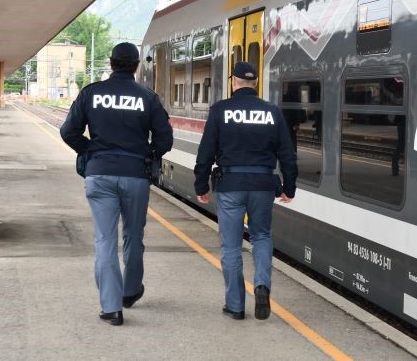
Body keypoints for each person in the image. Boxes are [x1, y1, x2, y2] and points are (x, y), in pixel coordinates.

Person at [60, 42, 173, 326]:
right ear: (136, 66)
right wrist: (147, 153)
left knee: (105, 240)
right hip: (136, 175)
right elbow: (165, 140)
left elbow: (68, 131)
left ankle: (111, 308)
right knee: (133, 235)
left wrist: (90, 150)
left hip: (99, 174)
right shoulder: (148, 97)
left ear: (110, 63)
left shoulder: (91, 93)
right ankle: (130, 291)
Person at [194, 61, 297, 321]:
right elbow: (287, 153)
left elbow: (206, 152)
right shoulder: (272, 112)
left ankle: (235, 305)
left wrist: (201, 184)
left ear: (234, 82)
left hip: (231, 185)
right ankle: (261, 286)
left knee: (231, 246)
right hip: (263, 185)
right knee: (261, 236)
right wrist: (289, 187)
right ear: (255, 83)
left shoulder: (220, 110)